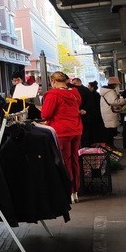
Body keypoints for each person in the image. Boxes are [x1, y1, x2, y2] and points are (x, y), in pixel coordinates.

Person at [41, 72, 83, 202]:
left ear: (53, 81)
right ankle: (75, 191)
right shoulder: (75, 93)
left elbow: (45, 114)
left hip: (62, 131)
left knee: (65, 162)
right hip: (76, 129)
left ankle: (68, 191)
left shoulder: (52, 94)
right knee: (74, 160)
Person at [97, 77, 125, 146]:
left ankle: (109, 145)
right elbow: (113, 102)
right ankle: (110, 146)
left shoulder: (106, 91)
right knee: (110, 131)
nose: (117, 85)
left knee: (109, 130)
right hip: (110, 112)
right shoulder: (110, 92)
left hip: (107, 112)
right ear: (114, 84)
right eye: (117, 84)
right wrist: (124, 100)